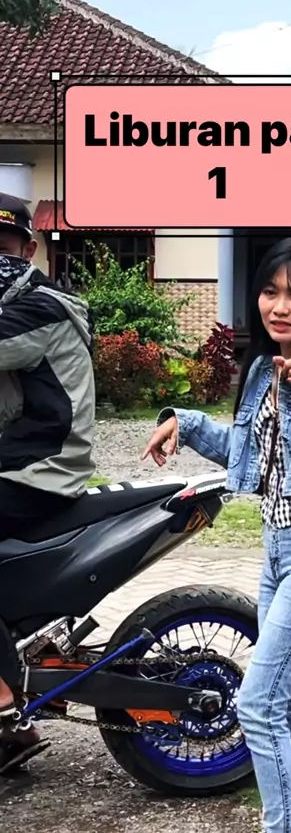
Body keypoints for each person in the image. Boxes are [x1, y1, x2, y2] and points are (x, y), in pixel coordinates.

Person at [142, 236, 291, 833]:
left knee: (258, 703)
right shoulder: (260, 369)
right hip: (276, 554)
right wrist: (186, 422)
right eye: (271, 291)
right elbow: (248, 453)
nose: (280, 306)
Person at [0, 192, 96, 774]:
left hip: (45, 467)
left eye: (3, 246)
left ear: (29, 248)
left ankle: (3, 696)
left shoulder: (42, 306)